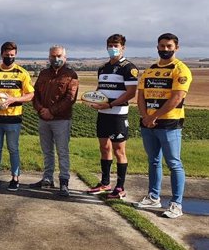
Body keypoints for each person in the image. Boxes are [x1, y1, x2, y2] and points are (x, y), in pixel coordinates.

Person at [135, 33, 192, 219]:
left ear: (176, 47)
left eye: (169, 46)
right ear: (157, 47)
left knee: (174, 163)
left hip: (169, 124)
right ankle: (153, 196)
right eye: (162, 46)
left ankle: (176, 204)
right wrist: (145, 116)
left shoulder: (180, 69)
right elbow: (141, 95)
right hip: (148, 123)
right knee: (153, 161)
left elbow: (177, 97)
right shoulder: (150, 70)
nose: (165, 49)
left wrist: (155, 116)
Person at [85, 34, 138, 199]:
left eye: (116, 45)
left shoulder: (129, 67)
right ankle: (105, 183)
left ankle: (120, 187)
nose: (112, 48)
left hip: (118, 115)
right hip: (103, 114)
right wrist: (93, 100)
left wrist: (110, 104)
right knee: (104, 148)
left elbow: (131, 93)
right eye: (110, 45)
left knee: (119, 150)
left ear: (123, 47)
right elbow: (101, 89)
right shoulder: (102, 68)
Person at [0, 41, 34, 191]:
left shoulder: (22, 73)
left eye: (12, 55)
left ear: (15, 55)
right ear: (1, 54)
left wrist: (13, 99)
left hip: (13, 118)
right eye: (6, 55)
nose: (9, 57)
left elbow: (30, 95)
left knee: (13, 148)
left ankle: (15, 178)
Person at [29, 45, 79, 197]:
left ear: (65, 57)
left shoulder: (71, 75)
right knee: (47, 151)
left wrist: (52, 111)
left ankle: (64, 181)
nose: (55, 59)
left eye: (58, 56)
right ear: (49, 57)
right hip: (43, 118)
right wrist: (40, 110)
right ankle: (47, 178)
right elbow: (35, 93)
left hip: (61, 119)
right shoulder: (44, 73)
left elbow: (70, 98)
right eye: (53, 56)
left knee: (62, 151)